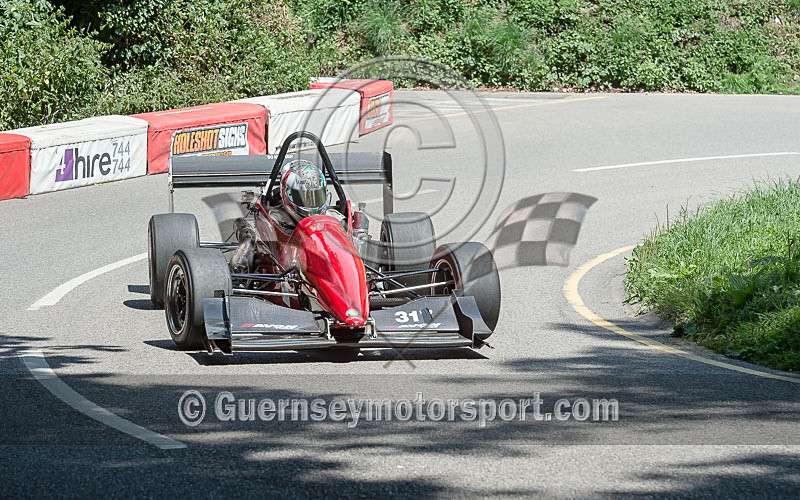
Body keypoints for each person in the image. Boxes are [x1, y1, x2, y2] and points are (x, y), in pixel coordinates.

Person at [279, 159, 328, 224]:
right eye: (305, 198)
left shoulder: (334, 217)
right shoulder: (275, 219)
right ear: (286, 193)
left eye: (317, 197)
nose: (312, 206)